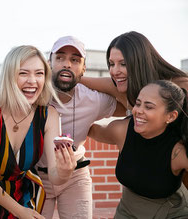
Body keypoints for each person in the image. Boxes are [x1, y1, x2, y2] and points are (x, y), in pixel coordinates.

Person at [0, 45, 77, 219]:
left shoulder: (49, 116)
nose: (33, 81)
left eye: (39, 73)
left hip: (21, 198)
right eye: (23, 73)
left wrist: (65, 172)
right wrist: (20, 212)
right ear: (9, 76)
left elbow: (55, 177)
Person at [80, 31, 188, 187]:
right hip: (139, 183)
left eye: (123, 64)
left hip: (176, 188)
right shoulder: (121, 87)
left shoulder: (179, 87)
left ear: (140, 62)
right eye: (111, 64)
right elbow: (80, 81)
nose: (115, 71)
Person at [35, 36, 126, 219]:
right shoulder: (33, 93)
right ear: (48, 63)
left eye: (75, 60)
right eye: (60, 58)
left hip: (75, 176)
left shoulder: (93, 100)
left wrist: (82, 80)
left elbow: (127, 104)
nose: (66, 64)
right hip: (35, 176)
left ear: (84, 68)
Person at [88, 80, 188, 218]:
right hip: (127, 211)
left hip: (171, 213)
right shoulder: (122, 131)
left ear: (170, 116)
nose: (138, 111)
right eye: (138, 103)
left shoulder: (178, 151)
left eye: (149, 107)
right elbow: (91, 131)